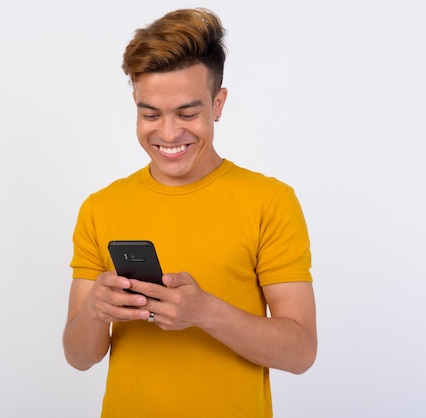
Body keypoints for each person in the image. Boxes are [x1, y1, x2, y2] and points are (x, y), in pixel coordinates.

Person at [62, 7, 317, 418]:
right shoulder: (100, 207)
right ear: (135, 104)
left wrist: (205, 312)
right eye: (150, 114)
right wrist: (94, 311)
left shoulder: (269, 201)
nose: (167, 133)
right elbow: (79, 357)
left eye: (187, 113)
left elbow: (301, 352)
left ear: (218, 104)